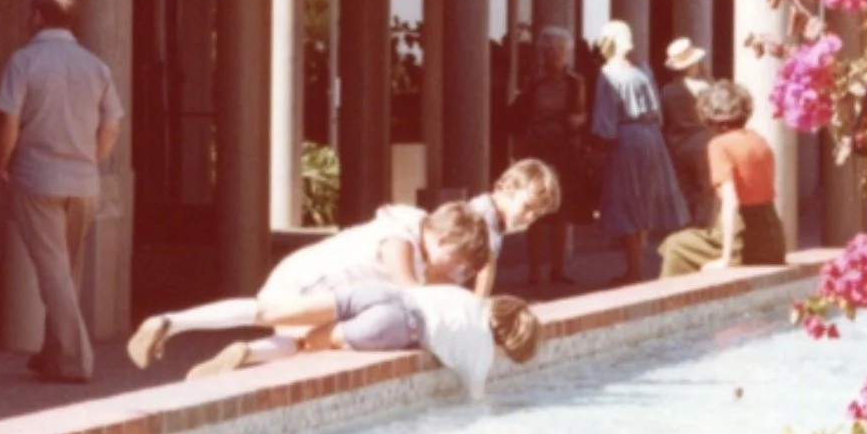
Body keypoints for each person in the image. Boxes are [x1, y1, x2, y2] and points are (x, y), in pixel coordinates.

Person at [127, 200, 492, 370]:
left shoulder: (411, 234)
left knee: (301, 338)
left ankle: (229, 346)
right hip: (313, 282)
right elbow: (410, 291)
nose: (455, 270)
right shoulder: (401, 237)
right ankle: (189, 329)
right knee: (280, 324)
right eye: (457, 260)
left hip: (314, 281)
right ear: (444, 240)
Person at [0, 0, 124, 382]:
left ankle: (76, 359)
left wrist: (1, 163)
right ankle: (50, 355)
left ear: (37, 16)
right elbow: (112, 126)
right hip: (83, 181)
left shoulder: (24, 61)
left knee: (53, 274)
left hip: (38, 178)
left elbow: (8, 120)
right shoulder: (96, 66)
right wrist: (90, 160)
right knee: (66, 273)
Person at [186, 281, 541, 400]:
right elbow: (475, 401)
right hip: (396, 326)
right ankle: (250, 353)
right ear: (507, 345)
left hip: (383, 293)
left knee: (288, 317)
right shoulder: (482, 352)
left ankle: (241, 341)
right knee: (307, 344)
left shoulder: (465, 297)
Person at [591, 20, 688, 285]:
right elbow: (658, 112)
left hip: (626, 140)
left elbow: (605, 120)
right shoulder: (642, 70)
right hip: (651, 139)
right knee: (643, 201)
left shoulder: (608, 73)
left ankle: (634, 269)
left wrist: (599, 150)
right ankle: (639, 265)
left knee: (627, 202)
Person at [659, 80, 786, 277]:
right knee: (686, 242)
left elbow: (731, 203)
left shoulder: (719, 145)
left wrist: (726, 259)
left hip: (744, 241)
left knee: (675, 246)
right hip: (773, 239)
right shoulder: (759, 140)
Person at [508, 26, 587, 285]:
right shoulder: (532, 80)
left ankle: (558, 269)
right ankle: (534, 270)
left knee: (562, 210)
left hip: (564, 147)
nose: (554, 55)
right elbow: (521, 114)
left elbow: (582, 113)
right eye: (549, 50)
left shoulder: (576, 82)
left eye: (559, 50)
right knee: (536, 208)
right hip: (537, 146)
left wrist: (577, 121)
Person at [467, 158, 562, 296]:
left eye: (536, 215)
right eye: (527, 206)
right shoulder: (485, 215)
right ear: (509, 188)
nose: (530, 218)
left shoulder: (491, 214)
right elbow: (486, 269)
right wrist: (477, 305)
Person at [660, 36, 715, 228]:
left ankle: (685, 226)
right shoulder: (703, 87)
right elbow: (715, 108)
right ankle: (703, 226)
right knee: (706, 189)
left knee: (684, 189)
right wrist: (708, 76)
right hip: (702, 141)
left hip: (678, 144)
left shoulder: (667, 91)